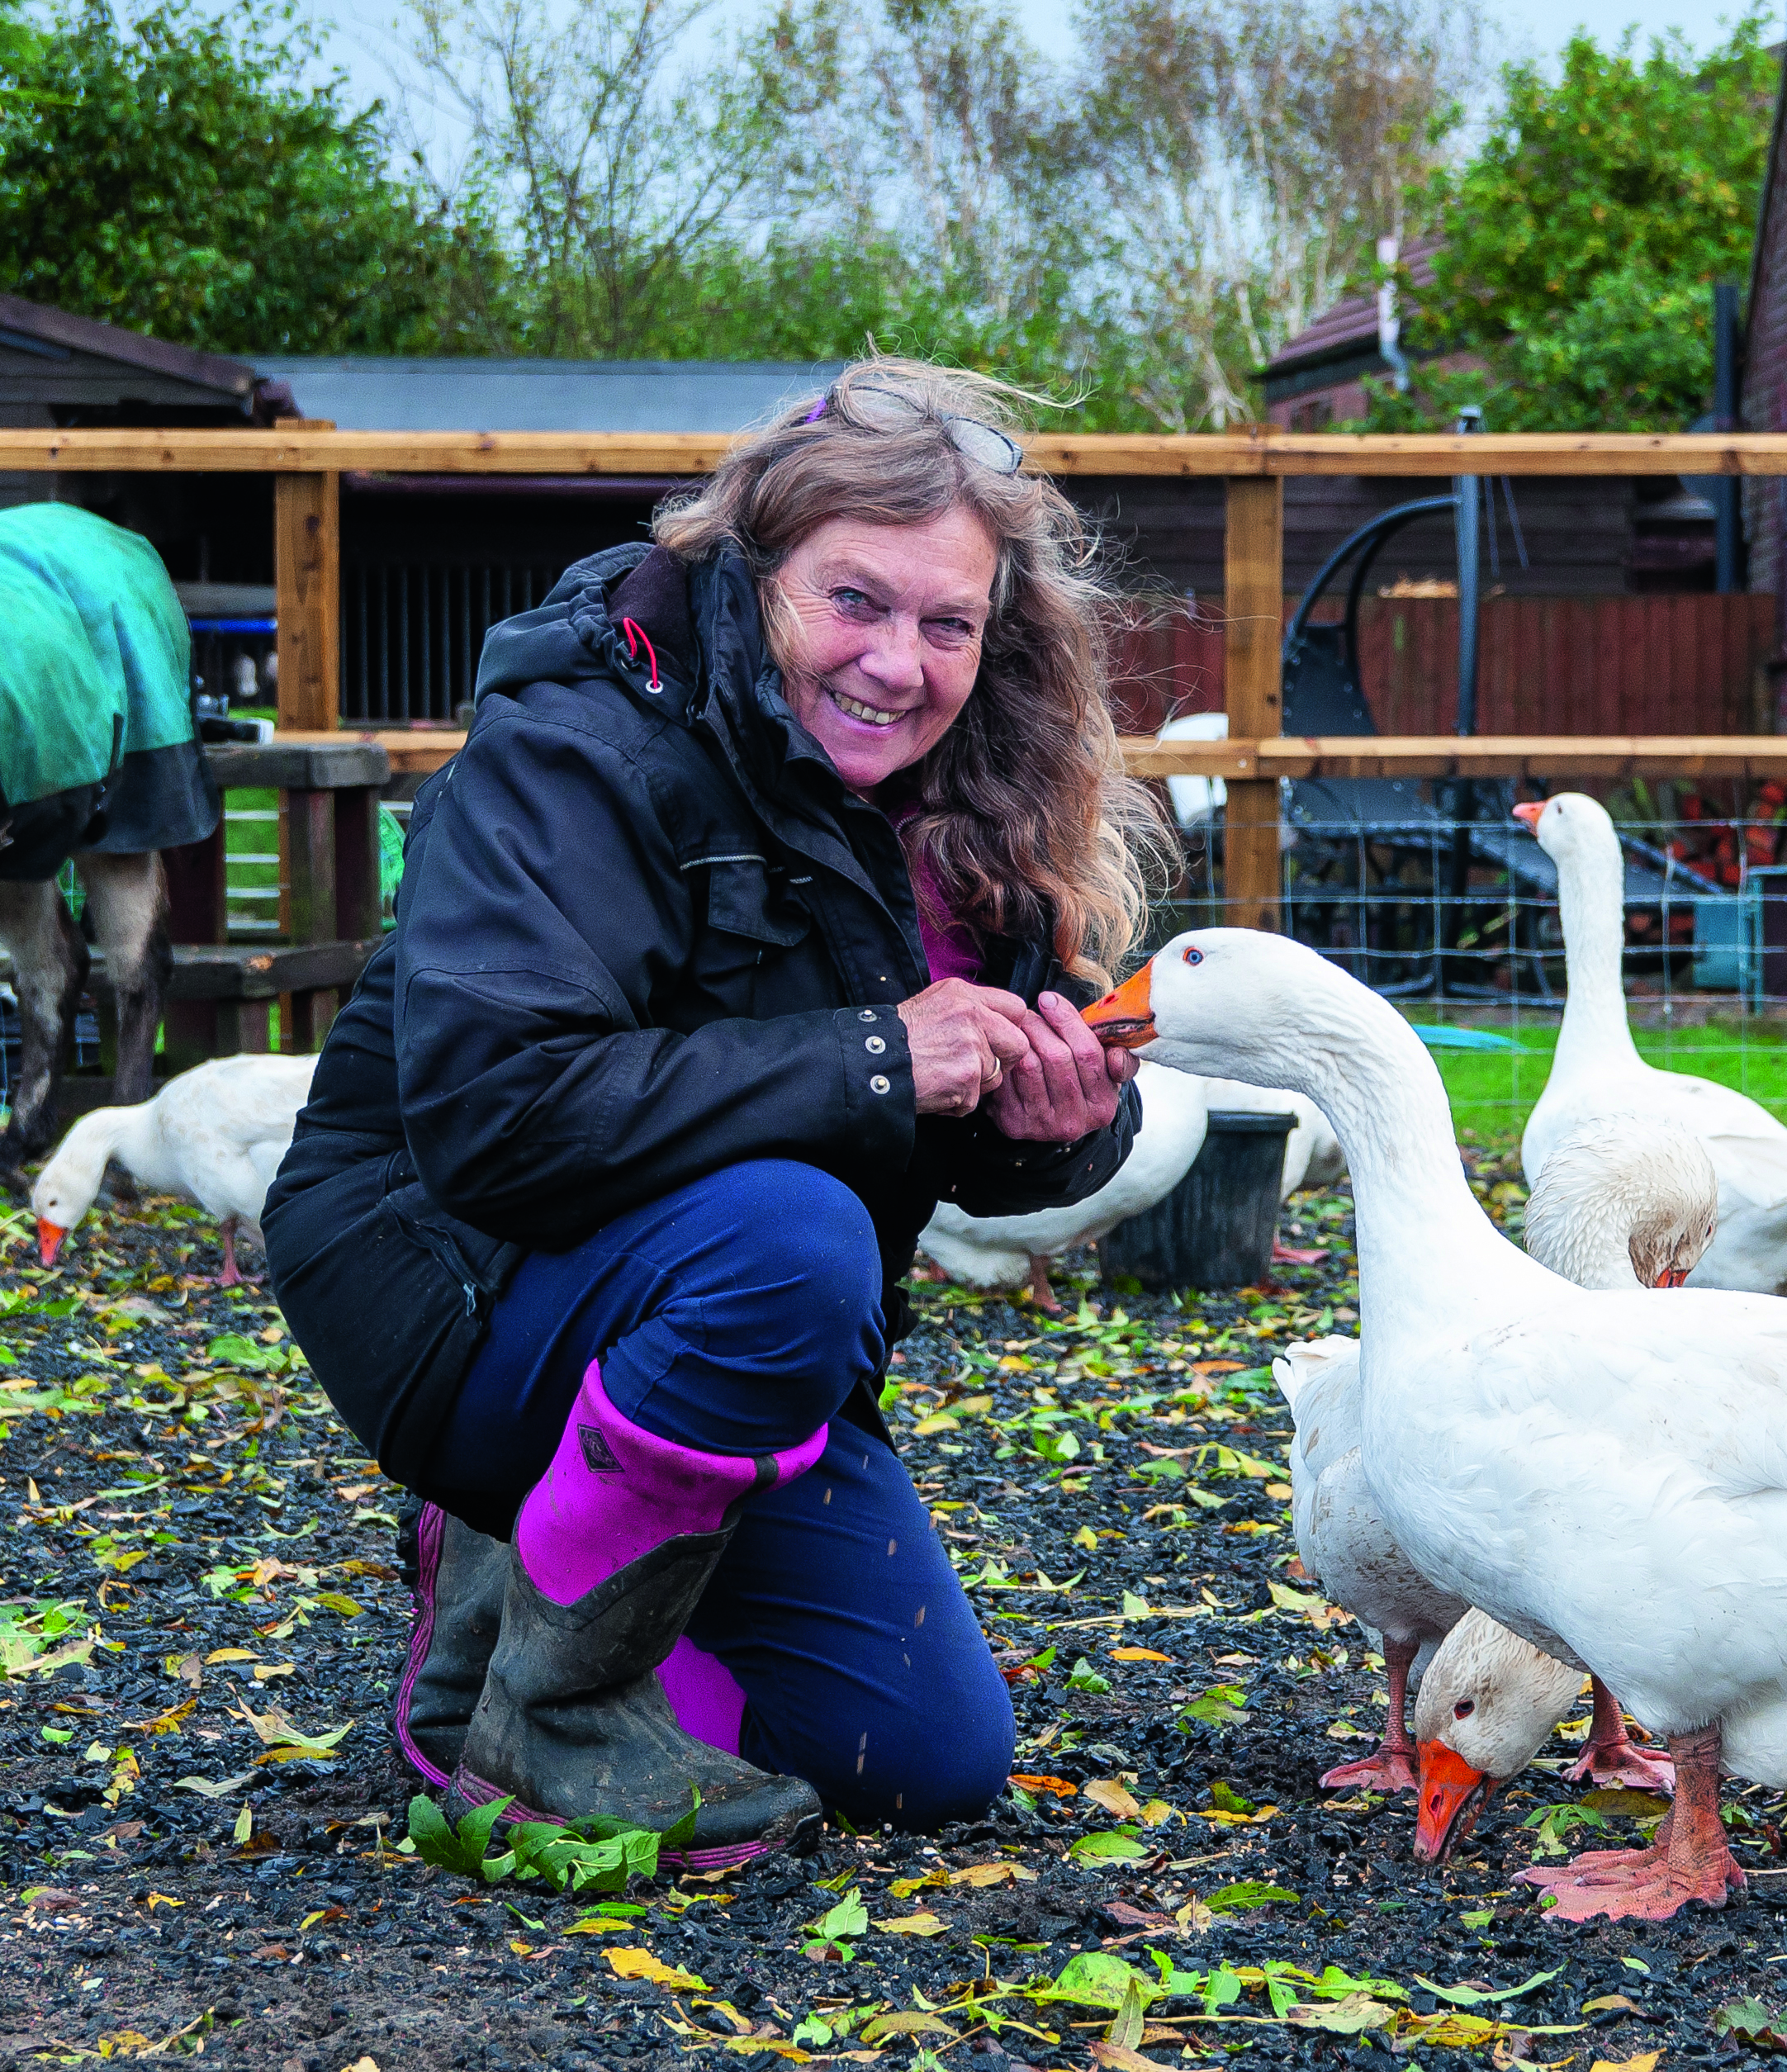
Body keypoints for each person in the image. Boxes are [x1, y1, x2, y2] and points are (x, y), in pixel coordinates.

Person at [266, 360, 1168, 1866]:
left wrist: (1052, 1122)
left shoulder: (964, 802)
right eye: (856, 602)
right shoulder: (580, 745)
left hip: (731, 1310)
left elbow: (960, 1119)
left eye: (950, 623)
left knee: (921, 1760)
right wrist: (882, 1057)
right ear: (751, 576)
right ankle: (540, 1713)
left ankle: (531, 1590)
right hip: (451, 1268)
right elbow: (495, 1114)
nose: (901, 663)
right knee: (795, 1236)